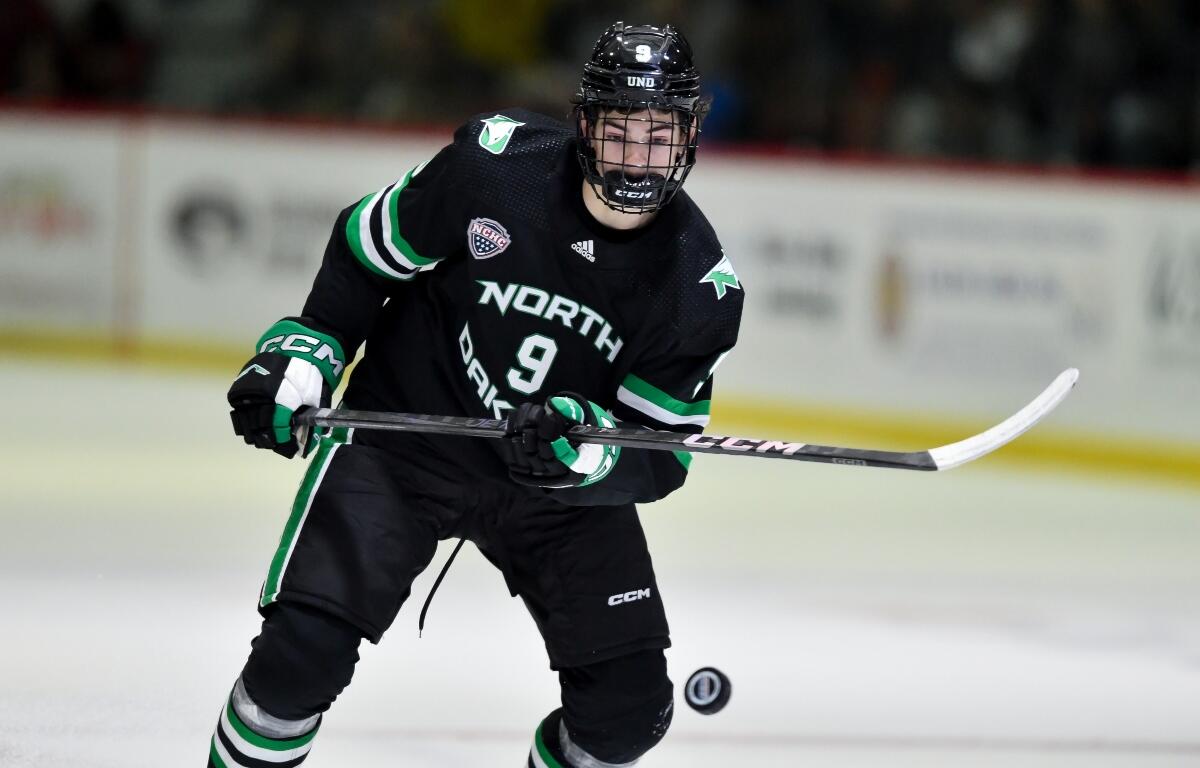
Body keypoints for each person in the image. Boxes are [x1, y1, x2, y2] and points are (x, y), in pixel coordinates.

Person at [212, 21, 743, 768]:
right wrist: (309, 348)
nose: (636, 156)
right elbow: (367, 249)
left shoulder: (698, 286)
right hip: (406, 445)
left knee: (625, 716)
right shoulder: (493, 170)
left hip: (554, 495)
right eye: (619, 130)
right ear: (584, 123)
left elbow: (660, 454)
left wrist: (588, 454)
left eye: (659, 135)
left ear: (689, 136)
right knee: (296, 661)